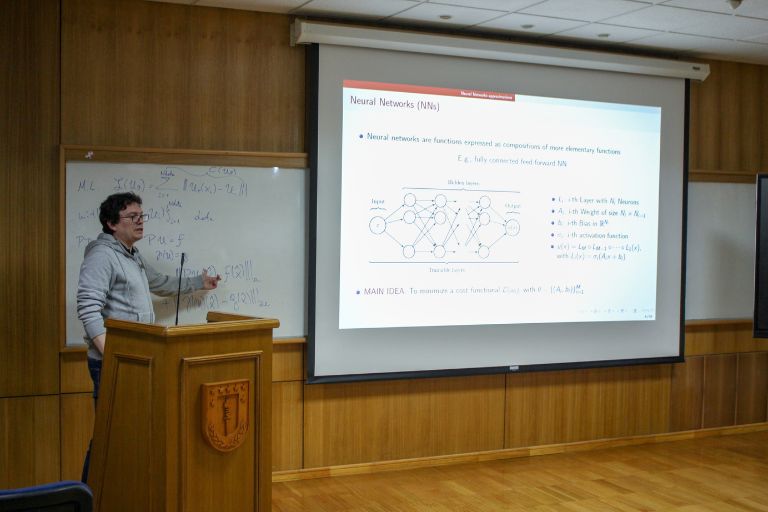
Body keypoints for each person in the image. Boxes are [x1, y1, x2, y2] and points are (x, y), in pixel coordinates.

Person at [77, 192, 221, 482]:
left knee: (131, 434)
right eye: (132, 217)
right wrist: (111, 354)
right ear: (111, 223)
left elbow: (160, 283)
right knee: (109, 435)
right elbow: (88, 308)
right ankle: (89, 497)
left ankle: (121, 495)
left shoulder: (132, 255)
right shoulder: (102, 255)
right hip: (113, 363)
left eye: (141, 216)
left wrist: (198, 283)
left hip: (136, 360)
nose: (140, 221)